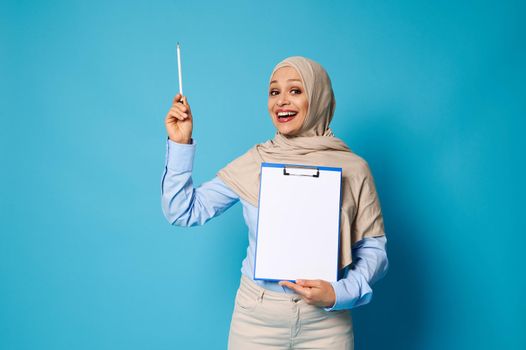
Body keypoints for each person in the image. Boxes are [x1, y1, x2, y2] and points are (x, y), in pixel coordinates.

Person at [161, 56, 389, 350]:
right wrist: (180, 143)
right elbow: (182, 210)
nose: (282, 101)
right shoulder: (256, 161)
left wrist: (340, 293)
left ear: (318, 97)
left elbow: (374, 249)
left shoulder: (354, 168)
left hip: (327, 323)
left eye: (295, 91)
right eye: (274, 92)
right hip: (257, 317)